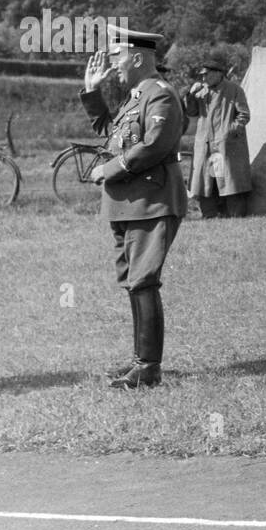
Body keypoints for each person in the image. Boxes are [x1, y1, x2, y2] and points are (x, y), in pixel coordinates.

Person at [80, 25, 188, 389]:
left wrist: (108, 169)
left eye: (117, 57)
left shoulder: (161, 95)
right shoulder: (134, 97)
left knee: (143, 280)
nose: (113, 66)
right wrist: (93, 90)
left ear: (138, 57)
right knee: (133, 282)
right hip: (128, 203)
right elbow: (109, 132)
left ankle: (148, 367)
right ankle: (140, 361)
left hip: (151, 201)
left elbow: (155, 145)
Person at [183, 52, 252, 218]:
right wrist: (190, 95)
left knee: (229, 180)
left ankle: (235, 215)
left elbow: (244, 115)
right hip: (205, 144)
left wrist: (228, 131)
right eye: (202, 75)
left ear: (218, 73)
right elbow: (191, 112)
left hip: (226, 144)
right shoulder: (201, 91)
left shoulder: (234, 90)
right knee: (205, 180)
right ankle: (209, 215)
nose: (204, 78)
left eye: (207, 74)